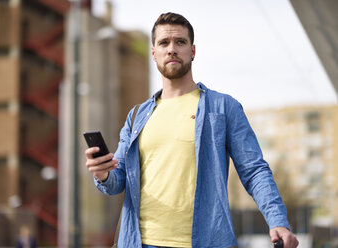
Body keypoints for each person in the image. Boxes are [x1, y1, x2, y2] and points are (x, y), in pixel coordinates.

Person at [85, 12, 299, 248]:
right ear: (154, 53)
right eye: (164, 43)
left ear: (193, 51)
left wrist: (278, 221)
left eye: (180, 42)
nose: (172, 49)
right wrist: (102, 173)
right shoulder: (136, 116)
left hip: (205, 241)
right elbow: (117, 182)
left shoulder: (223, 108)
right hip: (140, 242)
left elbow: (254, 170)